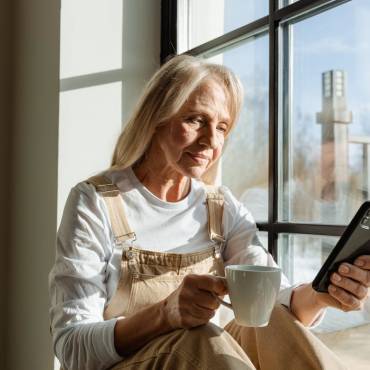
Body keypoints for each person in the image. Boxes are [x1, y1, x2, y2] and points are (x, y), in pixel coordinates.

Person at [49, 55, 370, 370]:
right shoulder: (95, 201)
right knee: (199, 337)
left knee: (271, 321)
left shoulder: (221, 206)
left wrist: (322, 296)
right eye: (195, 120)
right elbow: (72, 347)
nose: (211, 142)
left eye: (222, 127)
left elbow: (274, 300)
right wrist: (166, 314)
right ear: (156, 117)